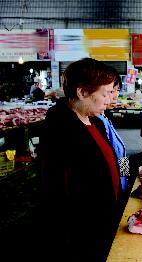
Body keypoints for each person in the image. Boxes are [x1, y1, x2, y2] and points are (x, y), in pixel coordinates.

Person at [40, 58, 122, 261]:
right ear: (82, 92)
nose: (109, 100)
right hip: (82, 230)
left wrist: (139, 161)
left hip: (107, 218)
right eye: (105, 94)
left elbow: (111, 162)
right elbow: (58, 190)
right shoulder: (60, 128)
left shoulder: (97, 122)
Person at [97, 67, 130, 196]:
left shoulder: (104, 118)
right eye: (111, 91)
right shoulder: (96, 122)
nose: (115, 95)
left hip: (120, 185)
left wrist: (126, 176)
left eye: (116, 90)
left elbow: (120, 152)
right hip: (113, 191)